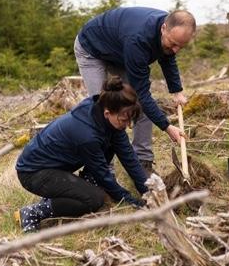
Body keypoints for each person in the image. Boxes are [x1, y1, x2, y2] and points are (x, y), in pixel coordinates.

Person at [14, 77, 149, 232]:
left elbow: (129, 158)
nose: (127, 125)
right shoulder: (87, 135)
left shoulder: (104, 112)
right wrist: (129, 200)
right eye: (124, 120)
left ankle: (82, 185)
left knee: (111, 144)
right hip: (33, 173)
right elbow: (103, 175)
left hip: (58, 167)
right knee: (93, 199)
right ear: (107, 113)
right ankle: (34, 212)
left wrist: (148, 191)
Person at [74, 7, 196, 173]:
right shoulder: (139, 39)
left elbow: (167, 57)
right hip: (92, 49)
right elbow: (142, 93)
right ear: (163, 28)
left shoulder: (168, 29)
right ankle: (103, 168)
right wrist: (167, 126)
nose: (175, 50)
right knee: (103, 108)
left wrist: (176, 91)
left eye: (181, 46)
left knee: (138, 104)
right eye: (173, 44)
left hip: (121, 52)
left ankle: (143, 161)